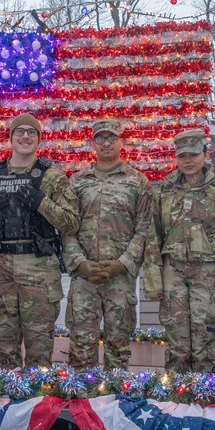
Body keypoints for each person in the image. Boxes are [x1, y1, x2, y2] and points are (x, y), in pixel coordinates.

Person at [0, 113, 80, 369]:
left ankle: (36, 405)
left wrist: (41, 202)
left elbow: (71, 222)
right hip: (0, 268)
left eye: (31, 132)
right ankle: (5, 403)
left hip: (39, 269)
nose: (25, 137)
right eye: (19, 132)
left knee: (39, 345)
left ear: (39, 139)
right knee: (3, 344)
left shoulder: (52, 177)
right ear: (10, 138)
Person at [62, 119, 156, 370]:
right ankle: (81, 403)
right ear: (93, 143)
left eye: (111, 138)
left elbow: (146, 228)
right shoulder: (77, 182)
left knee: (118, 349)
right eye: (100, 138)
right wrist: (80, 263)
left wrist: (123, 263)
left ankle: (115, 403)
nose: (106, 143)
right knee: (81, 349)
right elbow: (67, 228)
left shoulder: (137, 182)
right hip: (85, 279)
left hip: (120, 279)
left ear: (121, 141)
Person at [145, 129, 215, 373]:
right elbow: (153, 235)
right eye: (182, 155)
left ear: (205, 155)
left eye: (194, 154)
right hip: (172, 270)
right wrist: (154, 278)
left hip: (206, 273)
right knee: (177, 338)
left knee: (202, 336)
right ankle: (175, 394)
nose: (188, 160)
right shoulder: (164, 191)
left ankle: (203, 393)